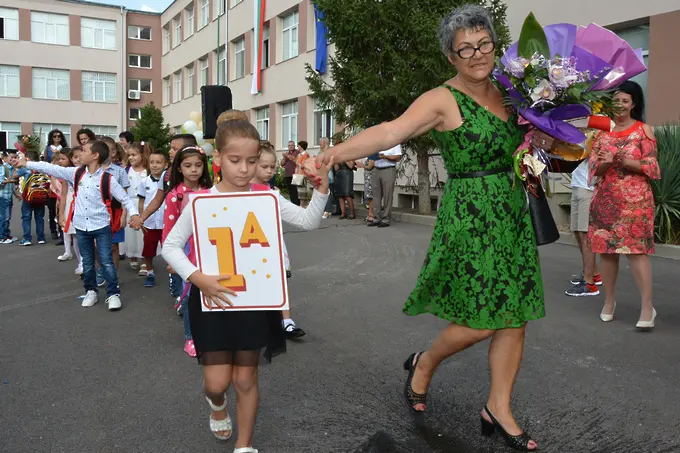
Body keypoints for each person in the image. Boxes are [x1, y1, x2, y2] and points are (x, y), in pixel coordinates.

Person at [315, 5, 548, 451]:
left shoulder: (510, 87)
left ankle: (499, 406)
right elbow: (389, 131)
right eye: (466, 48)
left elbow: (533, 137)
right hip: (472, 213)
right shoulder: (442, 99)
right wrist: (335, 153)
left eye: (485, 44)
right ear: (450, 56)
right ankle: (424, 364)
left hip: (512, 208)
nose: (478, 54)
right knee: (482, 320)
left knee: (514, 315)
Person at [161, 117, 330, 452]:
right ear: (218, 159)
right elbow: (170, 246)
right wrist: (198, 279)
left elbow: (309, 222)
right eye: (235, 161)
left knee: (245, 379)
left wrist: (321, 188)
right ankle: (217, 405)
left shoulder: (267, 196)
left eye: (251, 161)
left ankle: (245, 446)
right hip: (214, 301)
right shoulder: (199, 200)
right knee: (217, 383)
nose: (243, 169)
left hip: (254, 301)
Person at [16, 140, 140, 310]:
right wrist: (28, 163)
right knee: (87, 263)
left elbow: (125, 199)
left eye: (84, 150)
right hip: (81, 227)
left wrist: (134, 215)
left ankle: (113, 294)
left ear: (95, 155)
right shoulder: (76, 173)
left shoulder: (107, 179)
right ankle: (91, 291)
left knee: (107, 262)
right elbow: (52, 169)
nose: (80, 154)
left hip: (102, 227)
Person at [588, 81, 661, 329]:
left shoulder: (644, 130)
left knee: (637, 253)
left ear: (634, 104)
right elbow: (593, 171)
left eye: (624, 101)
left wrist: (622, 159)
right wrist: (606, 164)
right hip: (605, 199)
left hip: (636, 202)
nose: (619, 105)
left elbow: (652, 168)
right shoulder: (601, 134)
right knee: (607, 253)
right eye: (615, 100)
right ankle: (609, 302)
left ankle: (647, 308)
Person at [159, 145, 213, 357]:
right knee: (191, 293)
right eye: (188, 165)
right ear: (179, 168)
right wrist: (171, 258)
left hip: (210, 245)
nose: (194, 170)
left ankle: (210, 332)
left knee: (210, 289)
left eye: (198, 165)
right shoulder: (175, 195)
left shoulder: (211, 191)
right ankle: (191, 337)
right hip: (186, 248)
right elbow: (169, 229)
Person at [250, 140, 306, 339]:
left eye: (272, 167)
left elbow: (302, 218)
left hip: (272, 247)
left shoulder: (273, 194)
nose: (269, 171)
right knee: (254, 284)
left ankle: (286, 320)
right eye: (264, 166)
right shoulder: (239, 192)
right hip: (250, 248)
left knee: (279, 283)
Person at [136, 134, 199, 306]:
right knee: (176, 266)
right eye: (170, 147)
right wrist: (141, 217)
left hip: (197, 234)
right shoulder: (167, 175)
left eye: (174, 148)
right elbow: (157, 200)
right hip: (175, 231)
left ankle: (191, 301)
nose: (170, 152)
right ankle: (180, 298)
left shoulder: (203, 176)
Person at [565, 155, 601, 296]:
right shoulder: (576, 134)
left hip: (588, 188)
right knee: (577, 231)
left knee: (585, 233)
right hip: (577, 185)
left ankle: (589, 284)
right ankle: (594, 273)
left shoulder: (594, 135)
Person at [137, 149, 168, 288]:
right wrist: (141, 219)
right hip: (150, 223)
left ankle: (174, 275)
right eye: (152, 162)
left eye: (158, 162)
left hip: (166, 222)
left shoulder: (170, 182)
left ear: (165, 164)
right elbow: (142, 202)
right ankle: (150, 273)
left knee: (169, 250)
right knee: (148, 250)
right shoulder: (144, 182)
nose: (155, 165)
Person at [54, 149, 82, 271]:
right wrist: (61, 214)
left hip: (82, 206)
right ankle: (81, 262)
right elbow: (64, 195)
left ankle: (85, 262)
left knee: (82, 237)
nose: (78, 159)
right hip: (70, 207)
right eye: (75, 157)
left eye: (80, 156)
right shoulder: (67, 174)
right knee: (74, 235)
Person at [123, 142, 149, 272]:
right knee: (131, 232)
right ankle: (132, 256)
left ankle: (145, 259)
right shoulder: (127, 170)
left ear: (142, 155)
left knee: (143, 233)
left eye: (134, 154)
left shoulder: (147, 170)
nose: (131, 158)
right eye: (129, 155)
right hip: (130, 203)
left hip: (144, 204)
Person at [14, 150, 48, 246]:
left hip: (28, 196)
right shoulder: (41, 167)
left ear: (27, 158)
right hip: (40, 195)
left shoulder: (25, 168)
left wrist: (16, 167)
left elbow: (15, 175)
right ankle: (41, 238)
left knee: (26, 217)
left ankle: (27, 238)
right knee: (39, 217)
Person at [368, 145, 402, 228]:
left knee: (388, 194)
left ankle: (386, 219)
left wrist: (385, 156)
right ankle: (376, 218)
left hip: (388, 169)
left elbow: (398, 157)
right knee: (376, 196)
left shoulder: (395, 143)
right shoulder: (377, 143)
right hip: (376, 169)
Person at [44, 129, 68, 240]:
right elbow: (44, 163)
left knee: (62, 207)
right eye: (54, 136)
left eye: (59, 136)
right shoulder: (48, 149)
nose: (57, 138)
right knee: (52, 208)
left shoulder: (65, 149)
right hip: (51, 178)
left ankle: (62, 230)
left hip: (62, 177)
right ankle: (53, 230)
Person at [0, 150, 19, 243]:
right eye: (11, 157)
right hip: (3, 196)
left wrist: (16, 195)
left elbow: (10, 186)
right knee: (4, 217)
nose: (13, 159)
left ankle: (7, 235)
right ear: (4, 158)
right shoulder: (2, 168)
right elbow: (1, 182)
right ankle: (2, 237)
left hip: (8, 196)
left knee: (7, 217)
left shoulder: (11, 168)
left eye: (15, 157)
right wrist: (11, 180)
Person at [280, 140, 300, 206]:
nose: (290, 147)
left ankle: (297, 205)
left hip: (295, 175)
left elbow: (295, 160)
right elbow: (282, 164)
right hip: (287, 175)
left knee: (295, 191)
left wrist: (287, 156)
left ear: (294, 146)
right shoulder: (287, 153)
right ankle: (293, 204)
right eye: (289, 145)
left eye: (292, 145)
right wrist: (285, 158)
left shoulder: (297, 152)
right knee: (291, 191)